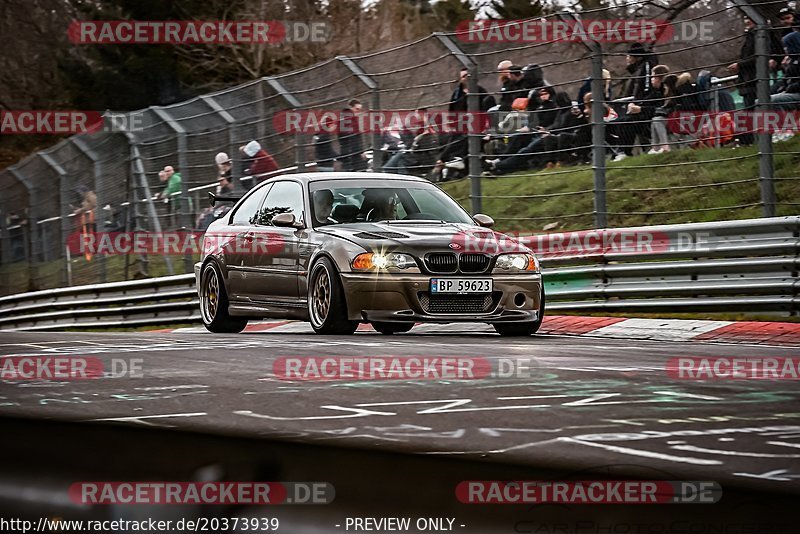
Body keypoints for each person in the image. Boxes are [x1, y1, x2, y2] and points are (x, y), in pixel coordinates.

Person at [338, 98, 368, 171]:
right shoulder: (348, 120)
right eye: (357, 109)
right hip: (352, 153)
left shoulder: (349, 119)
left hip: (350, 152)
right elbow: (352, 137)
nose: (358, 111)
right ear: (351, 108)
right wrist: (360, 151)